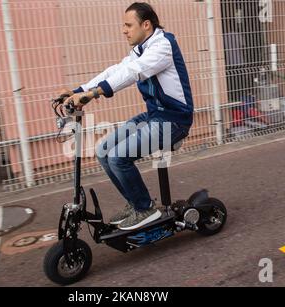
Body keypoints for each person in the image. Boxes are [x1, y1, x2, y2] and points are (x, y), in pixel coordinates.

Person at [60, 2, 193, 231]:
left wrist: (94, 93)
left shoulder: (162, 46)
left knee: (118, 157)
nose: (124, 30)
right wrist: (79, 90)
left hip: (174, 120)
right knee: (103, 151)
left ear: (146, 24)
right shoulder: (141, 49)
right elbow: (116, 70)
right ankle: (136, 205)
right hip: (154, 116)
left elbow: (134, 72)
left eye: (128, 25)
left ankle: (144, 209)